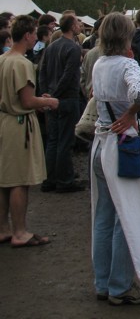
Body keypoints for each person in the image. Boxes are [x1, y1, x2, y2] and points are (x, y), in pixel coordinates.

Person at [90, 12, 140, 305]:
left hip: (101, 143)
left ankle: (102, 282)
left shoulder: (99, 63)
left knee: (104, 216)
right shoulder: (127, 64)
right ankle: (119, 286)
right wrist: (131, 113)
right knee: (126, 217)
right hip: (122, 146)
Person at [0, 15, 58, 248]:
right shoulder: (22, 64)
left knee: (4, 179)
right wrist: (48, 102)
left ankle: (3, 228)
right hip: (18, 125)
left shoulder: (2, 59)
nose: (36, 37)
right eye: (34, 33)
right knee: (19, 180)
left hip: (4, 120)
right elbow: (26, 101)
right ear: (27, 35)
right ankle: (20, 231)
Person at [39, 13, 85, 193]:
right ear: (72, 27)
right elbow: (68, 74)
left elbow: (42, 71)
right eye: (77, 23)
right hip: (66, 98)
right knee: (65, 141)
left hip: (52, 96)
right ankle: (64, 180)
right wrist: (54, 95)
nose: (79, 26)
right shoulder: (73, 48)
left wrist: (46, 94)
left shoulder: (51, 46)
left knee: (53, 140)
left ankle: (50, 178)